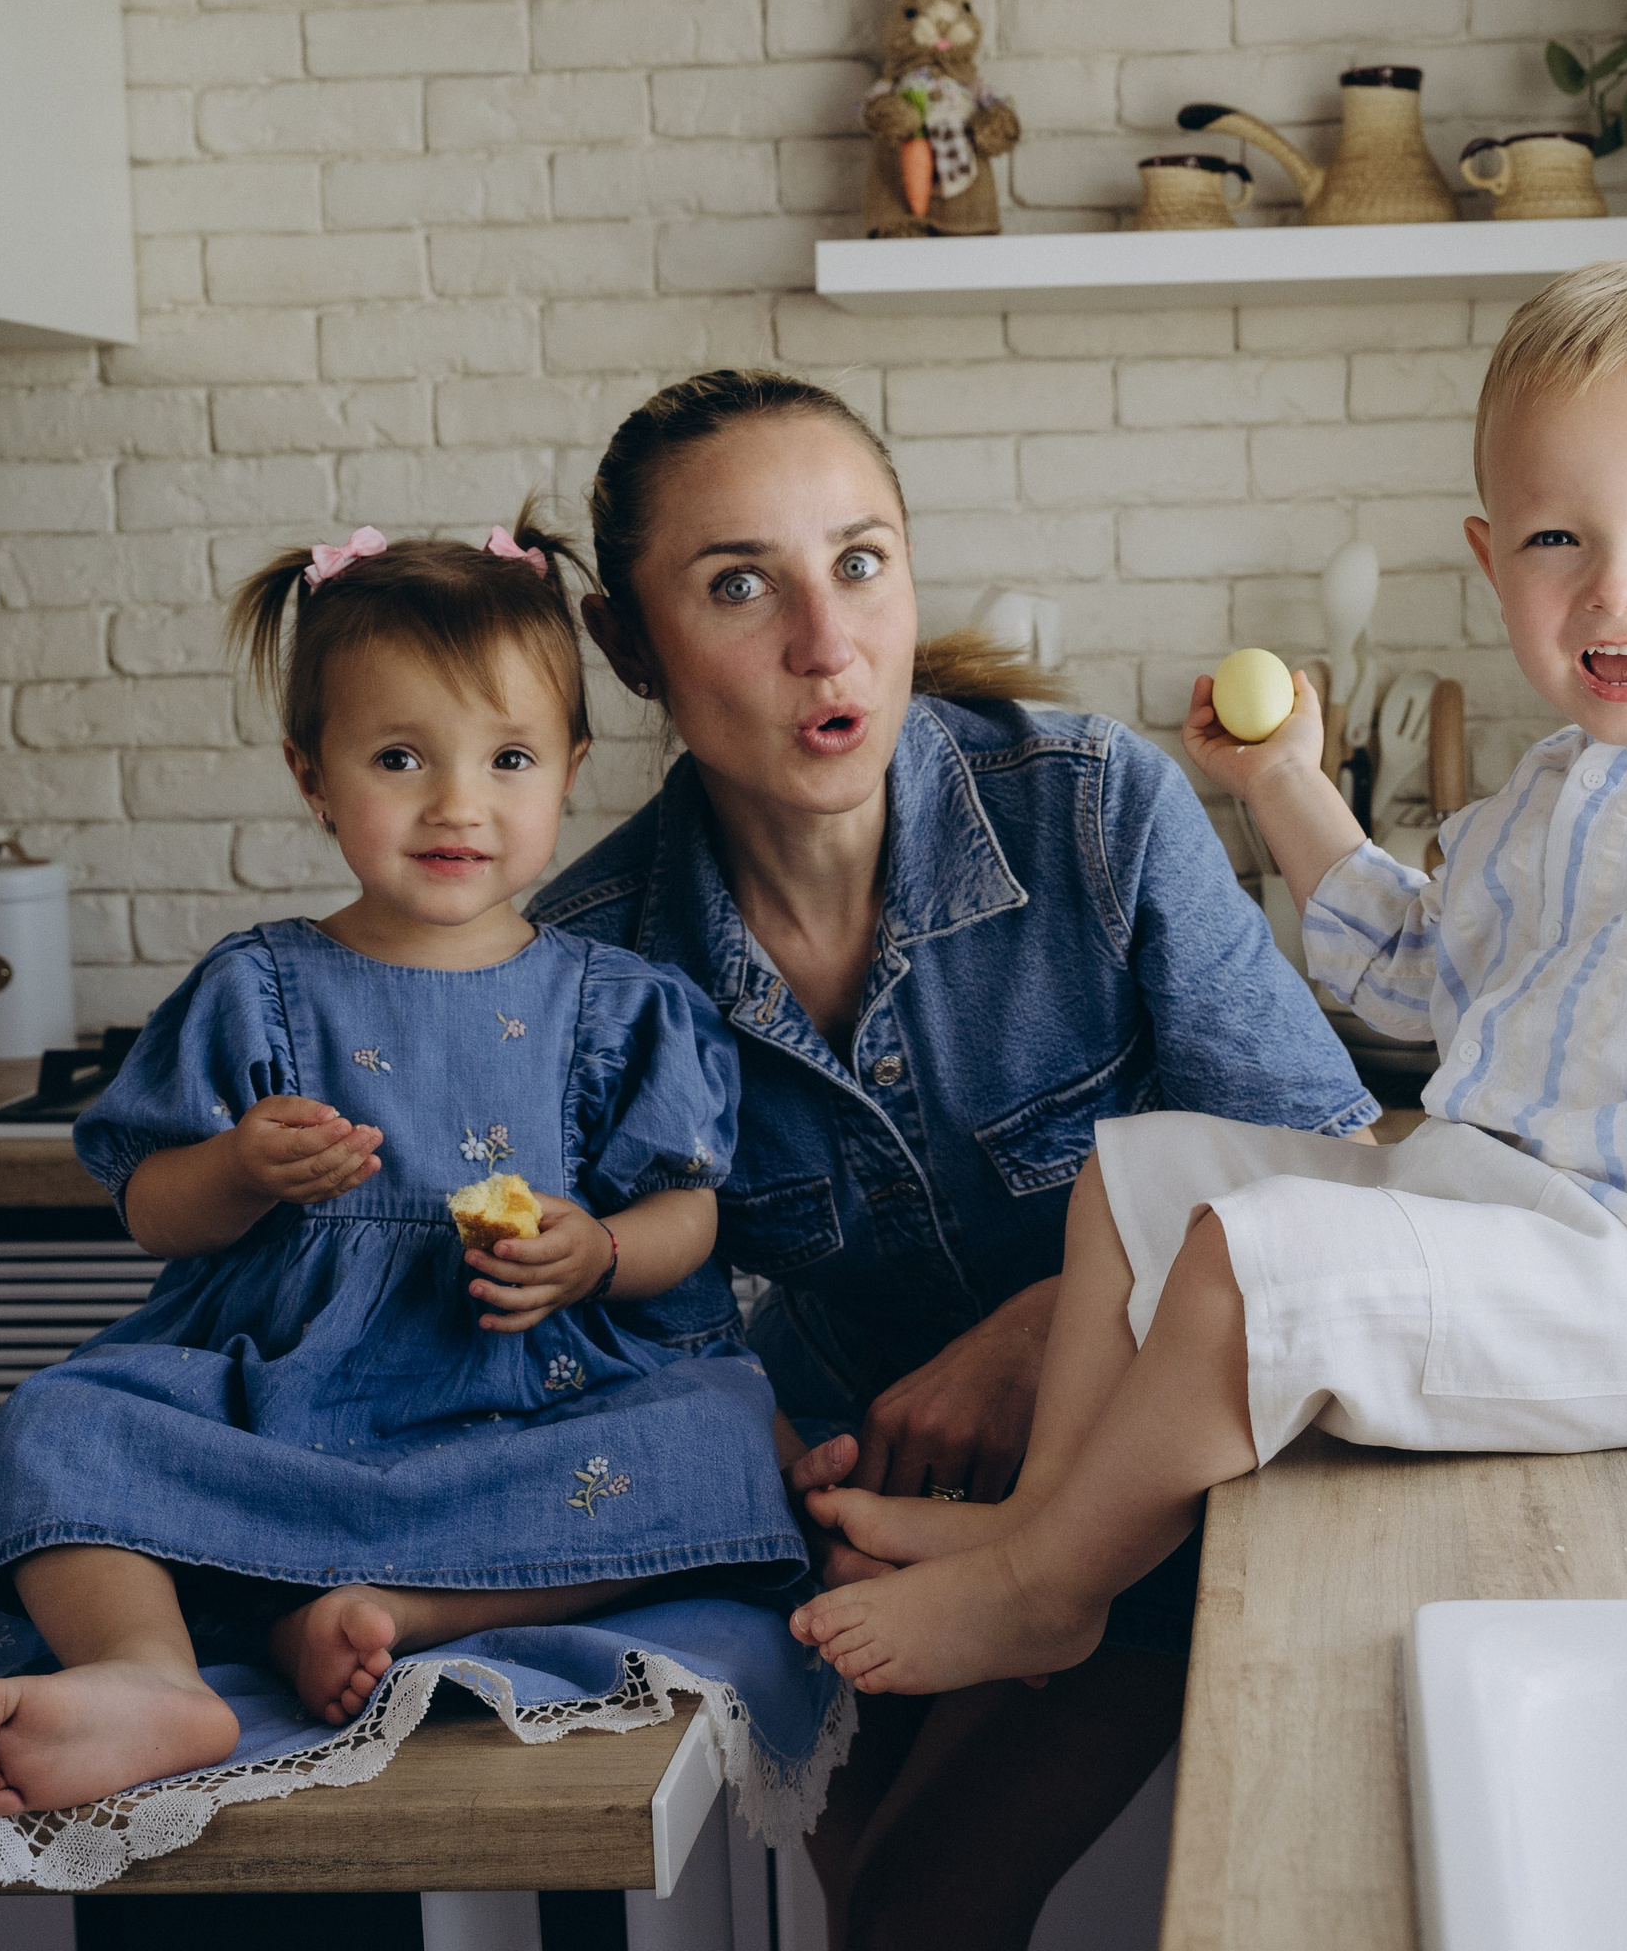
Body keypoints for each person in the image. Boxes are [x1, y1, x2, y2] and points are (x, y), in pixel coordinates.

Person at [789, 253, 1627, 1695]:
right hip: (1494, 1201)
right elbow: (1412, 966)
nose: (1618, 586)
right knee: (1132, 1182)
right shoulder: (1552, 791)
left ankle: (1046, 1590)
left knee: (1264, 1264)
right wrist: (1285, 784)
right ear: (1495, 564)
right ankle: (1041, 1519)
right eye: (1561, 540)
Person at [527, 370, 1378, 1950]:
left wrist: (1043, 1324)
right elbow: (620, 1316)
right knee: (887, 1911)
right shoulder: (591, 963)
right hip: (845, 1487)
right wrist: (770, 1443)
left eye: (859, 563)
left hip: (1149, 1470)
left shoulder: (1090, 809)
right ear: (629, 645)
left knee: (921, 1906)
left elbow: (1322, 1165)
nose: (822, 642)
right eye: (738, 586)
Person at [0, 517, 802, 1816]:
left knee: (736, 1438)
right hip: (284, 1403)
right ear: (314, 776)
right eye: (400, 756)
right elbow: (153, 1213)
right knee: (51, 1430)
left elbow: (691, 1206)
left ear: (571, 769)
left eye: (508, 757)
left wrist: (603, 1254)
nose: (457, 802)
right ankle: (150, 1672)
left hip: (528, 1404)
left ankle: (383, 1609)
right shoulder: (258, 987)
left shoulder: (621, 1002)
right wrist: (238, 1166)